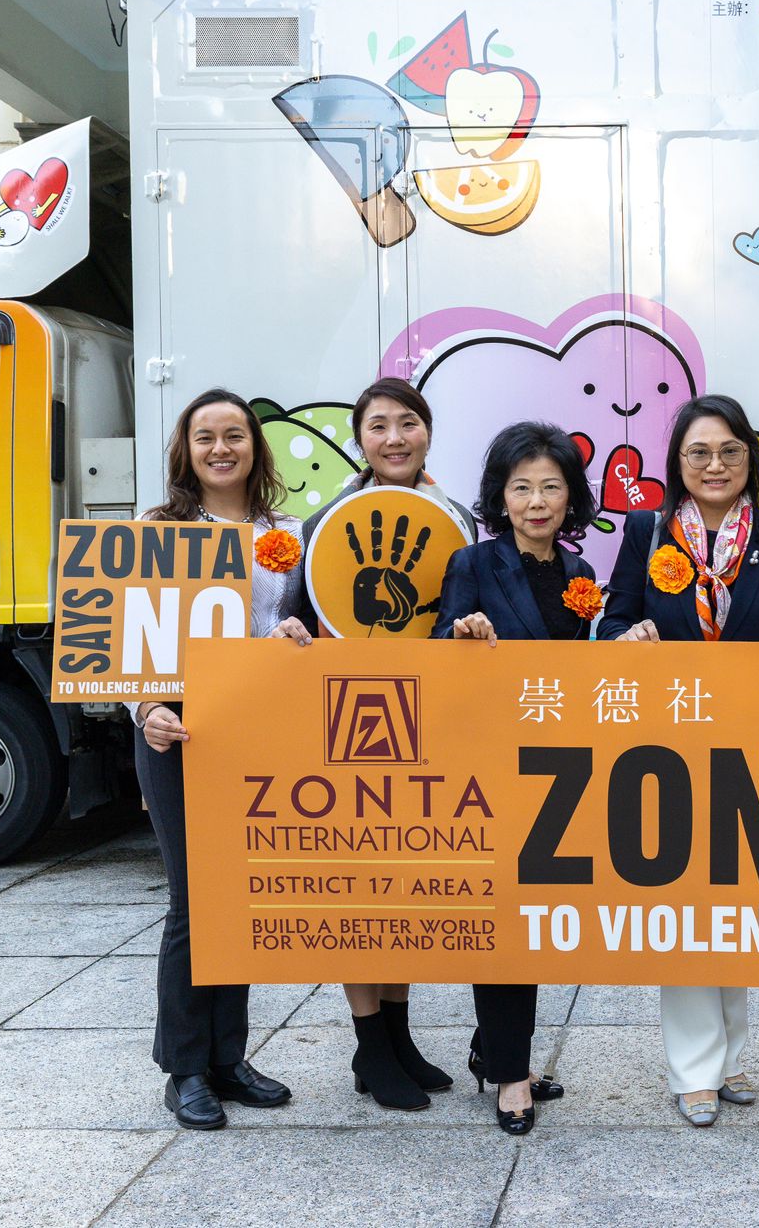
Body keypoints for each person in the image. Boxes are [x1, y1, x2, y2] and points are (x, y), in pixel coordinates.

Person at [598, 394, 759, 1128]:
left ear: (749, 458)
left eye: (728, 451)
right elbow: (614, 618)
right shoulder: (646, 531)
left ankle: (730, 1058)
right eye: (698, 452)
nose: (714, 465)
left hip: (754, 743)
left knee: (738, 903)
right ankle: (694, 1069)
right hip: (668, 744)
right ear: (678, 462)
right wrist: (625, 637)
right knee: (686, 900)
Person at [130, 388, 313, 1131]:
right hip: (176, 729)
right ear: (187, 449)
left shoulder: (289, 533)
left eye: (234, 434)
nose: (220, 449)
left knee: (237, 898)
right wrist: (145, 709)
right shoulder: (157, 530)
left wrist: (296, 638)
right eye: (205, 436)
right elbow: (125, 634)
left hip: (255, 731)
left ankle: (227, 1058)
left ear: (255, 448)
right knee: (193, 901)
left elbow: (304, 624)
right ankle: (184, 1069)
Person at [297, 376, 475, 1111]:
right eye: (378, 426)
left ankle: (397, 1037)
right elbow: (300, 618)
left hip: (429, 718)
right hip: (348, 718)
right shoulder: (323, 523)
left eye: (408, 422)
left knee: (406, 883)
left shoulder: (458, 515)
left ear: (427, 430)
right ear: (360, 439)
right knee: (357, 885)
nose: (395, 438)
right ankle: (369, 1043)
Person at [433, 421, 597, 1135]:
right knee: (503, 924)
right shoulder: (474, 562)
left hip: (558, 771)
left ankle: (495, 1051)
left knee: (533, 923)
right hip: (492, 765)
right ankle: (510, 1078)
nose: (537, 501)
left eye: (551, 487)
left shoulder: (581, 574)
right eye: (522, 487)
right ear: (501, 496)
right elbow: (437, 646)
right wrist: (461, 635)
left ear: (570, 497)